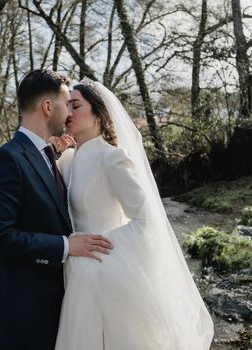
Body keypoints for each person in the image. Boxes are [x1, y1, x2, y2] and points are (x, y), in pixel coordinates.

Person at [54, 79, 214, 350]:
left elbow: (145, 221)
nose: (68, 112)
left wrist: (96, 248)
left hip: (103, 271)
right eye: (66, 105)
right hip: (74, 273)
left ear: (99, 113)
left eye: (76, 105)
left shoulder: (112, 158)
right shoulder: (67, 159)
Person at [0, 70, 113, 350]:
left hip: (53, 308)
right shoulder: (8, 159)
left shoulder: (49, 156)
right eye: (67, 103)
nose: (69, 113)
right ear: (48, 107)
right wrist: (66, 246)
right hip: (19, 316)